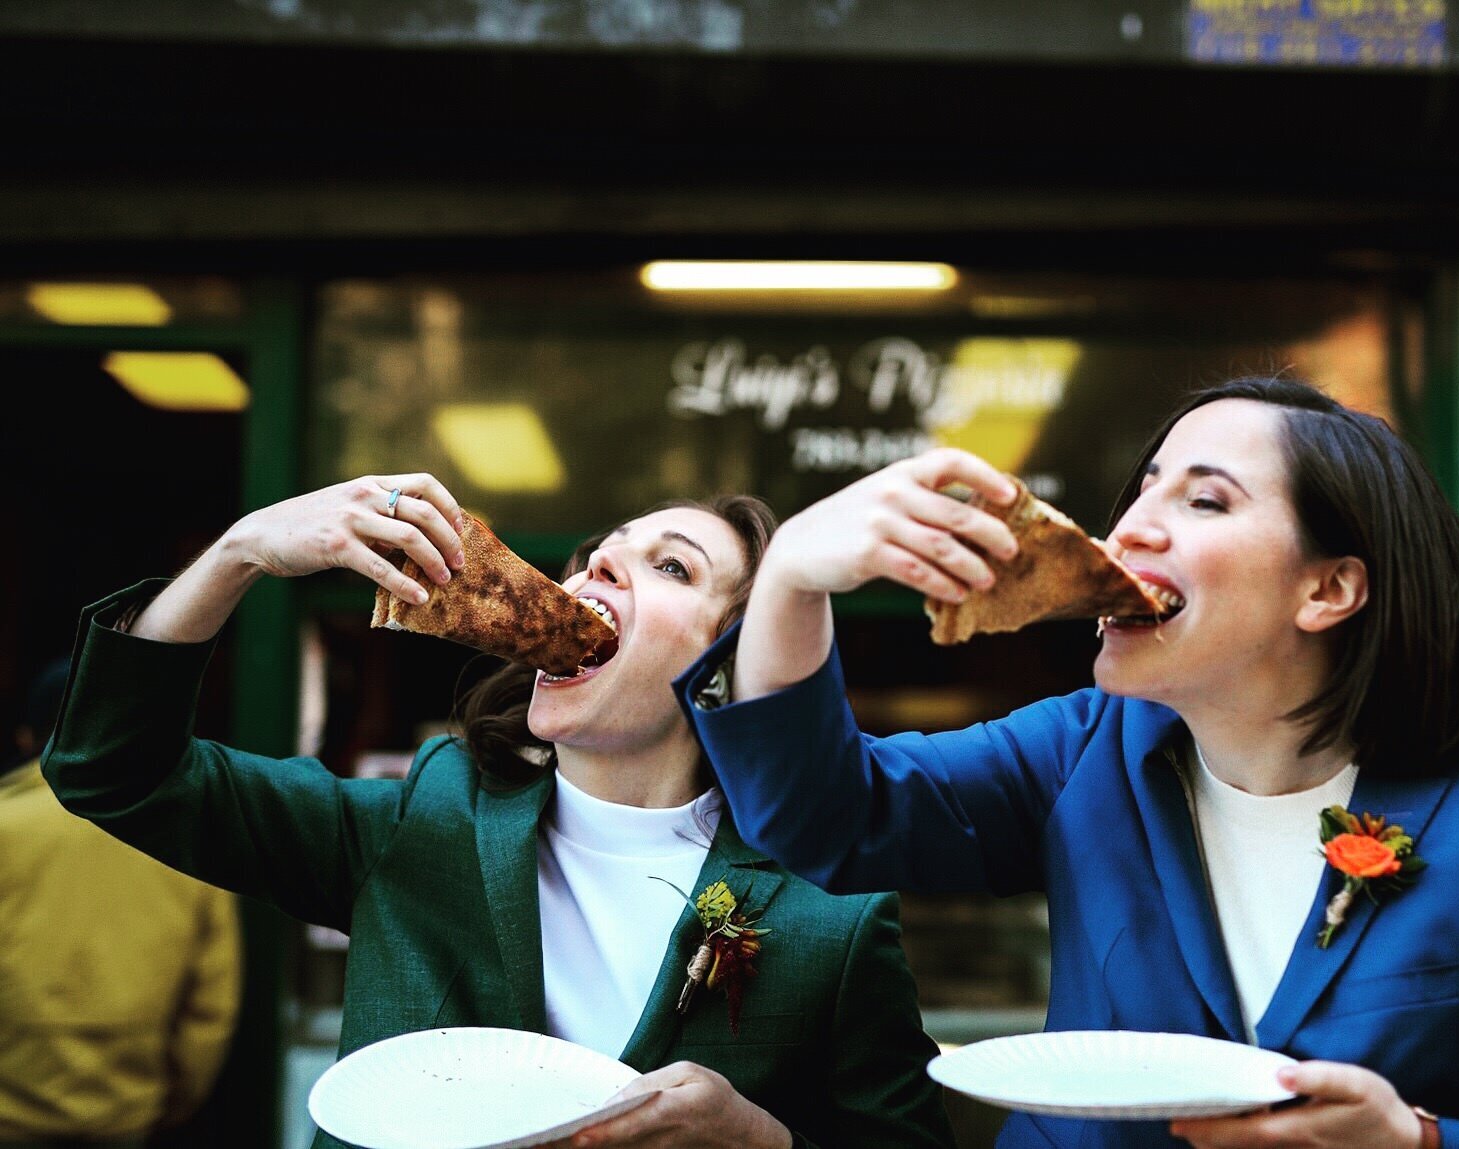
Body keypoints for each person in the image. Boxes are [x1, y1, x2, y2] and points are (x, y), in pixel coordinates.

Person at [675, 376, 1459, 1149]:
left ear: (1329, 591)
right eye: (1141, 490)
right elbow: (820, 820)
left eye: (1203, 501)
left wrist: (1418, 1141)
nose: (1129, 528)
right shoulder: (1080, 752)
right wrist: (795, 581)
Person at [41, 475, 955, 1149]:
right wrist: (240, 549)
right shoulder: (423, 818)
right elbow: (114, 771)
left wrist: (767, 1141)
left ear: (735, 668)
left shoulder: (834, 908)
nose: (601, 560)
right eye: (606, 547)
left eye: (670, 566)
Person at [1, 654, 243, 1149]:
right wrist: (175, 1102)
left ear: (25, 740)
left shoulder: (6, 828)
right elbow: (211, 1004)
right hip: (132, 1113)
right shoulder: (182, 832)